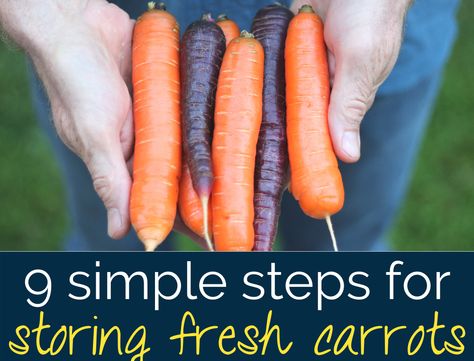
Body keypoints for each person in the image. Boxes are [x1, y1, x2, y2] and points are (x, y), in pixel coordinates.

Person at [0, 0, 460, 251]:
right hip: (109, 21)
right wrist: (49, 17)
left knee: (345, 254)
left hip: (339, 27)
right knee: (111, 257)